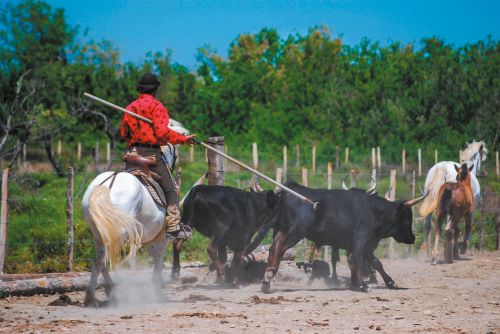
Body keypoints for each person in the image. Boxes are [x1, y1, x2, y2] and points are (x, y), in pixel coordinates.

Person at [120, 72, 196, 240]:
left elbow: (123, 134)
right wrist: (183, 139)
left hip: (132, 155)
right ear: (155, 89)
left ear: (140, 88)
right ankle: (173, 228)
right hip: (150, 154)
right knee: (171, 189)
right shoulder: (157, 107)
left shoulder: (130, 107)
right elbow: (163, 133)